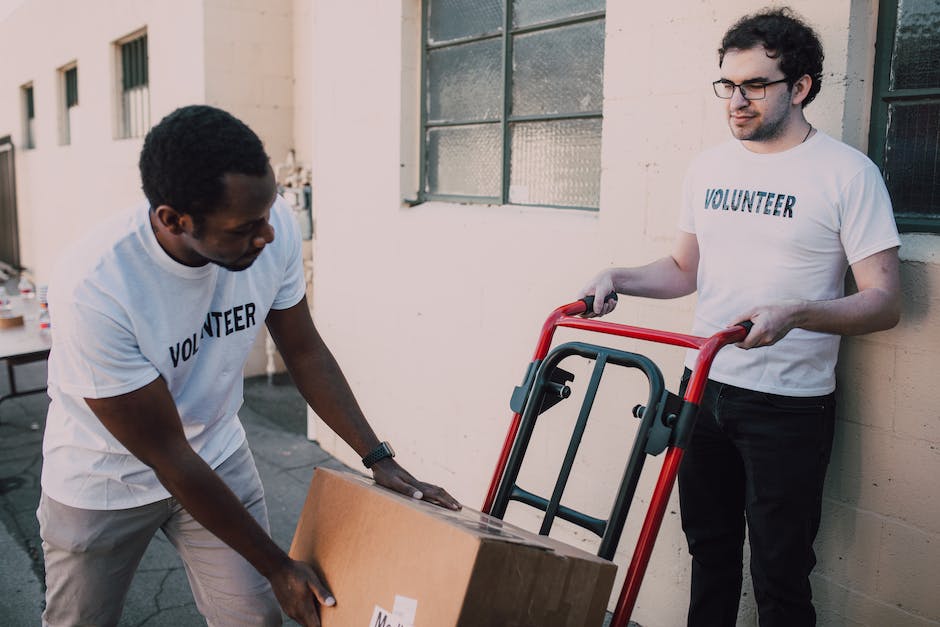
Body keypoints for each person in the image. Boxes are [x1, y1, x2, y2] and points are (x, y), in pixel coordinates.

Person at [38, 104, 460, 627]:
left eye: (267, 214)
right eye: (244, 229)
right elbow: (169, 455)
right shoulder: (96, 287)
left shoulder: (268, 222)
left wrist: (377, 457)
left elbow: (304, 350)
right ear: (174, 219)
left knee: (255, 619)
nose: (267, 237)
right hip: (104, 478)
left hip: (215, 453)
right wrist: (279, 566)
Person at [580, 8, 900, 627]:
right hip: (703, 389)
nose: (737, 100)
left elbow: (884, 302)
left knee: (780, 575)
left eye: (755, 85)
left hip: (788, 405)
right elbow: (683, 269)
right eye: (728, 85)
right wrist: (617, 276)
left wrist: (799, 312)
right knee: (710, 553)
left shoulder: (847, 174)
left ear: (800, 87)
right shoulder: (709, 168)